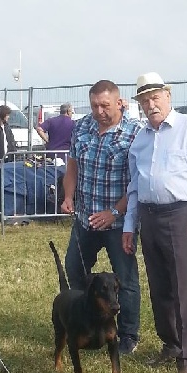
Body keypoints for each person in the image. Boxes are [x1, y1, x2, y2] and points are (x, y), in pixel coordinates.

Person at [122, 72, 187, 373]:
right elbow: (135, 186)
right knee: (160, 287)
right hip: (150, 217)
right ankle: (171, 344)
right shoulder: (140, 139)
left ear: (168, 96)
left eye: (155, 97)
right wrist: (130, 226)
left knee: (184, 288)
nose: (150, 104)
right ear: (139, 104)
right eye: (144, 100)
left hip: (182, 216)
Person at [61, 80, 141, 355]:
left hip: (118, 223)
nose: (99, 111)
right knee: (75, 268)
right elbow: (72, 166)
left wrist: (114, 212)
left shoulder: (135, 133)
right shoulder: (82, 126)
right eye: (94, 105)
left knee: (126, 280)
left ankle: (127, 335)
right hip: (85, 218)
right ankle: (87, 321)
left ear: (119, 103)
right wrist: (68, 196)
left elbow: (137, 183)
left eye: (105, 105)